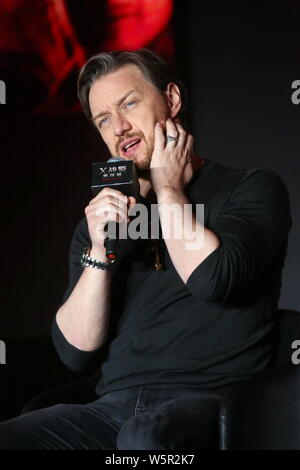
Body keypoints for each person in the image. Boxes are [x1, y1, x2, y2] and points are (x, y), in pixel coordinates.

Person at [0, 49, 292, 450]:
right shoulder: (104, 219)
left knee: (144, 438)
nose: (119, 127)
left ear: (171, 99)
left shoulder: (252, 188)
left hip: (216, 403)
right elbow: (74, 352)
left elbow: (213, 280)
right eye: (104, 119)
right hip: (111, 409)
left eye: (129, 103)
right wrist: (101, 250)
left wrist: (168, 187)